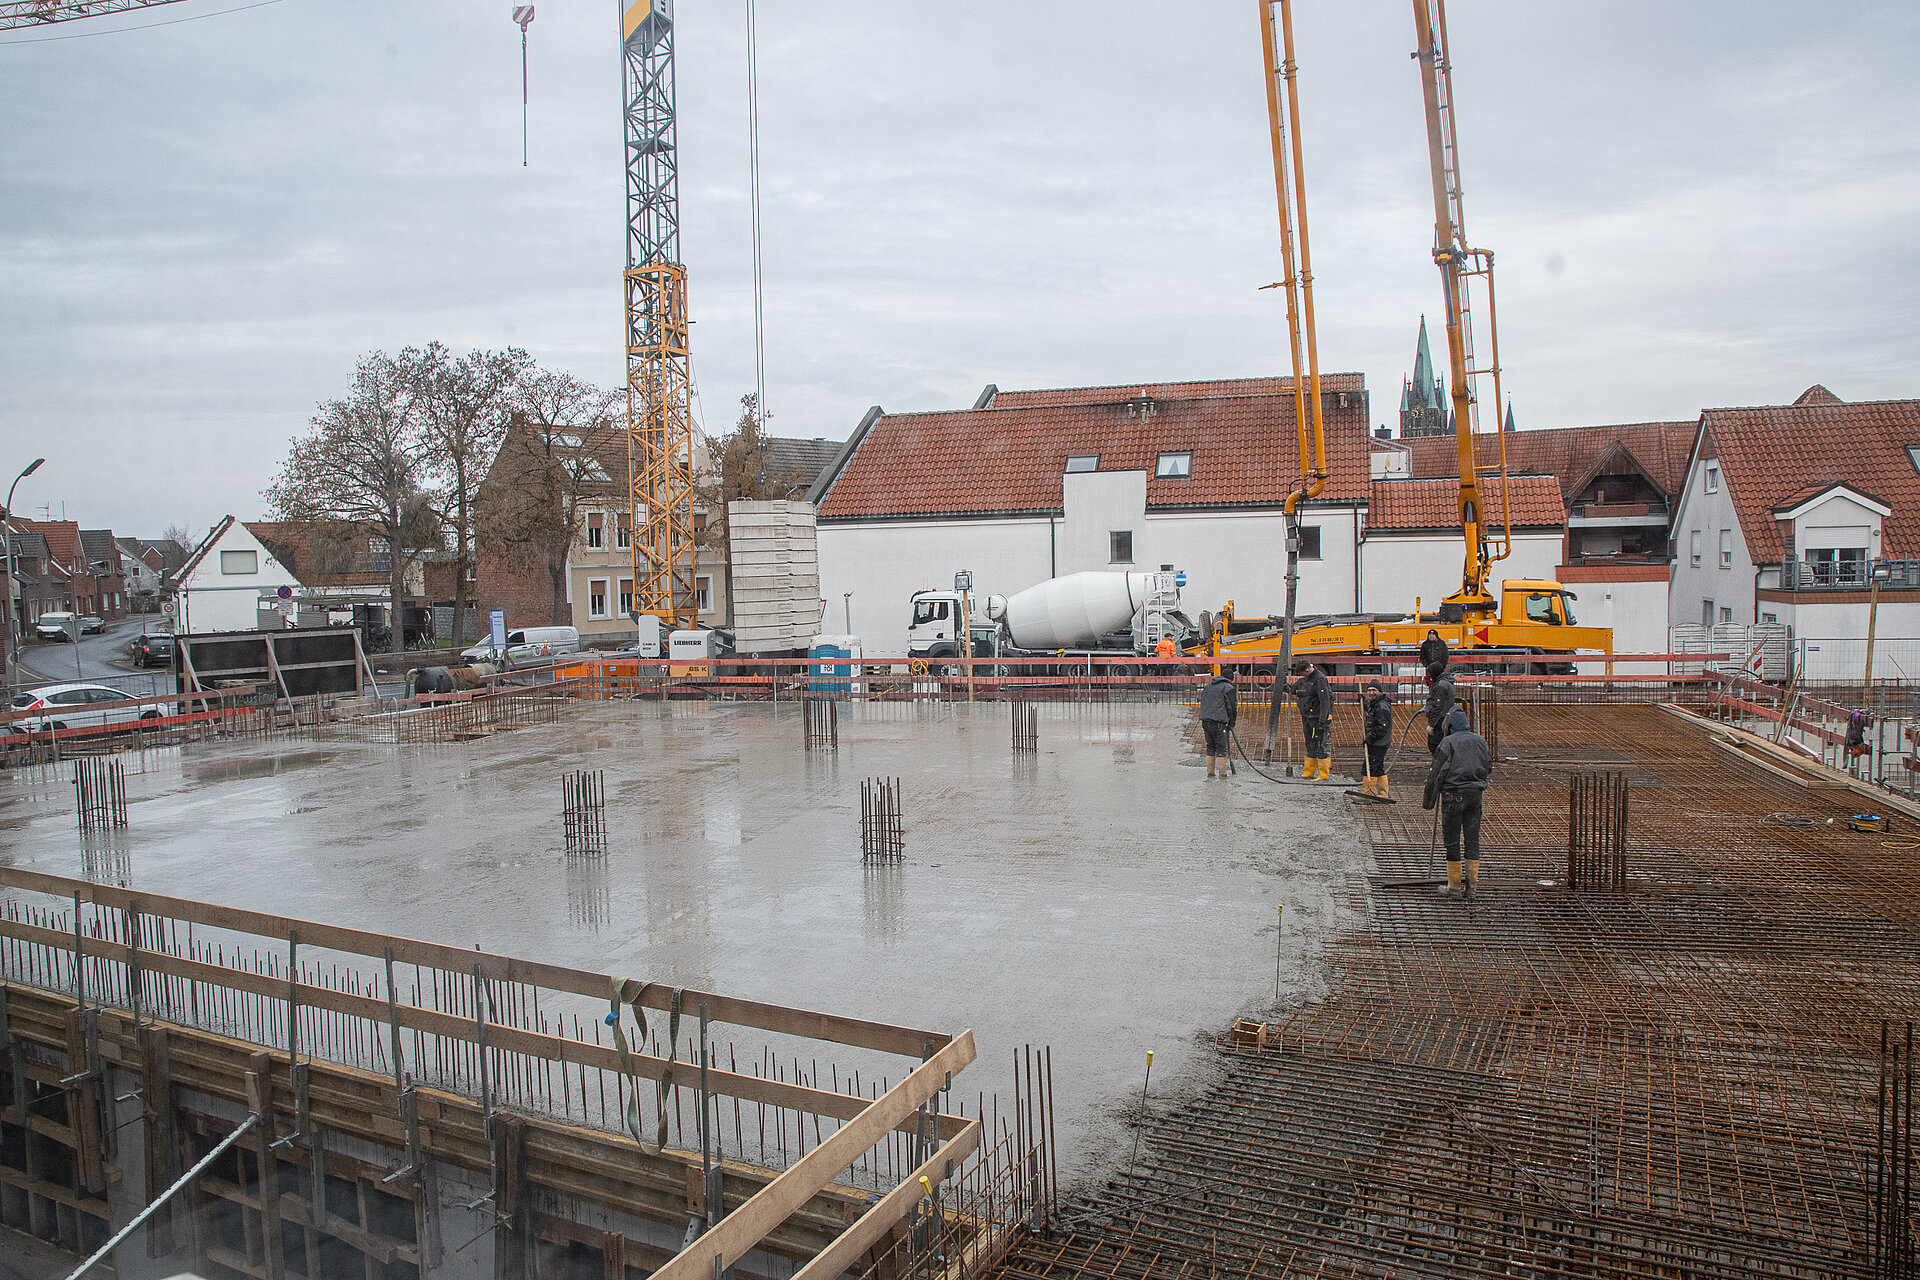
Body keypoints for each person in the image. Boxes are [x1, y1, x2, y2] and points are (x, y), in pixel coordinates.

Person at [1424, 706, 1492, 895]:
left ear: (1450, 725)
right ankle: (1472, 887)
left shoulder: (1448, 742)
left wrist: (1429, 801)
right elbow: (1489, 766)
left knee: (1452, 841)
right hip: (1475, 796)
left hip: (1453, 796)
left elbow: (1437, 774)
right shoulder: (1480, 741)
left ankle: (1454, 886)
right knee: (1472, 840)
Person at [1287, 659, 1334, 781]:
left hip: (1317, 717)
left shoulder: (1319, 680)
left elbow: (1325, 700)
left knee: (1320, 744)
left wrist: (1323, 719)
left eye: (1302, 673)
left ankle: (1323, 774)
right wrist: (1286, 687)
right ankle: (1309, 772)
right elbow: (1296, 689)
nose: (1301, 676)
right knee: (1309, 743)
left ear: (1307, 670)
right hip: (1307, 715)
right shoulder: (1306, 679)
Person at [1198, 668, 1237, 778]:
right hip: (1219, 722)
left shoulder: (1208, 687)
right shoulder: (1228, 688)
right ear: (1230, 680)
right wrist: (1232, 723)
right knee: (1221, 748)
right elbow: (1232, 707)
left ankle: (1210, 773)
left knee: (1210, 746)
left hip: (1205, 720)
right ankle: (1222, 774)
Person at [1361, 678, 1394, 799]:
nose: (1371, 692)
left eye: (1374, 690)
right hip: (1378, 741)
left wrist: (1370, 738)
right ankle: (1383, 793)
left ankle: (1367, 794)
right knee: (1378, 767)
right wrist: (1363, 701)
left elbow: (1381, 727)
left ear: (1379, 691)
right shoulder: (1376, 703)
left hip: (1379, 742)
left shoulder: (1381, 706)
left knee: (1371, 767)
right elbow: (1370, 710)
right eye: (1369, 690)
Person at [1424, 662, 1455, 756]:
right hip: (1444, 719)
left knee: (1435, 746)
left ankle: (1439, 767)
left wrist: (1432, 724)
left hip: (1440, 721)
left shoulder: (1441, 686)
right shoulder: (1446, 683)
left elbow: (1438, 706)